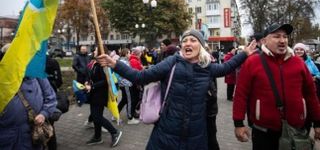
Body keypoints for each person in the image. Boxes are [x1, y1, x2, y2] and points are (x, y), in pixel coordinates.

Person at [97, 29, 257, 149]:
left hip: (196, 135)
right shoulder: (172, 62)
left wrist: (244, 54)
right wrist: (115, 64)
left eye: (193, 40)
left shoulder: (206, 67)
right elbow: (140, 77)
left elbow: (226, 67)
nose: (188, 43)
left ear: (201, 46)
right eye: (185, 40)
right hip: (167, 133)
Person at [233, 23, 320, 150]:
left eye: (285, 37)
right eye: (277, 36)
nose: (282, 40)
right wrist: (238, 123)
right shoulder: (253, 62)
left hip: (296, 131)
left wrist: (317, 122)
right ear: (264, 41)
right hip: (263, 133)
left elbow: (311, 95)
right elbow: (241, 94)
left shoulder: (298, 63)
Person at [0, 43, 57, 150]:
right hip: (5, 137)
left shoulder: (36, 73)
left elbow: (51, 97)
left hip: (31, 135)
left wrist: (43, 114)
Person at [84, 53, 122, 147]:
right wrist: (87, 81)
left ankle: (115, 132)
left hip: (100, 95)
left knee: (96, 116)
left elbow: (106, 81)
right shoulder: (95, 63)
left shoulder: (103, 65)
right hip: (94, 94)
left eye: (96, 50)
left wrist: (92, 86)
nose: (94, 52)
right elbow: (91, 75)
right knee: (96, 115)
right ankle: (97, 137)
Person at [45, 54, 63, 150]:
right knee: (50, 123)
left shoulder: (32, 62)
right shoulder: (53, 61)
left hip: (38, 98)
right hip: (51, 96)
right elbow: (59, 81)